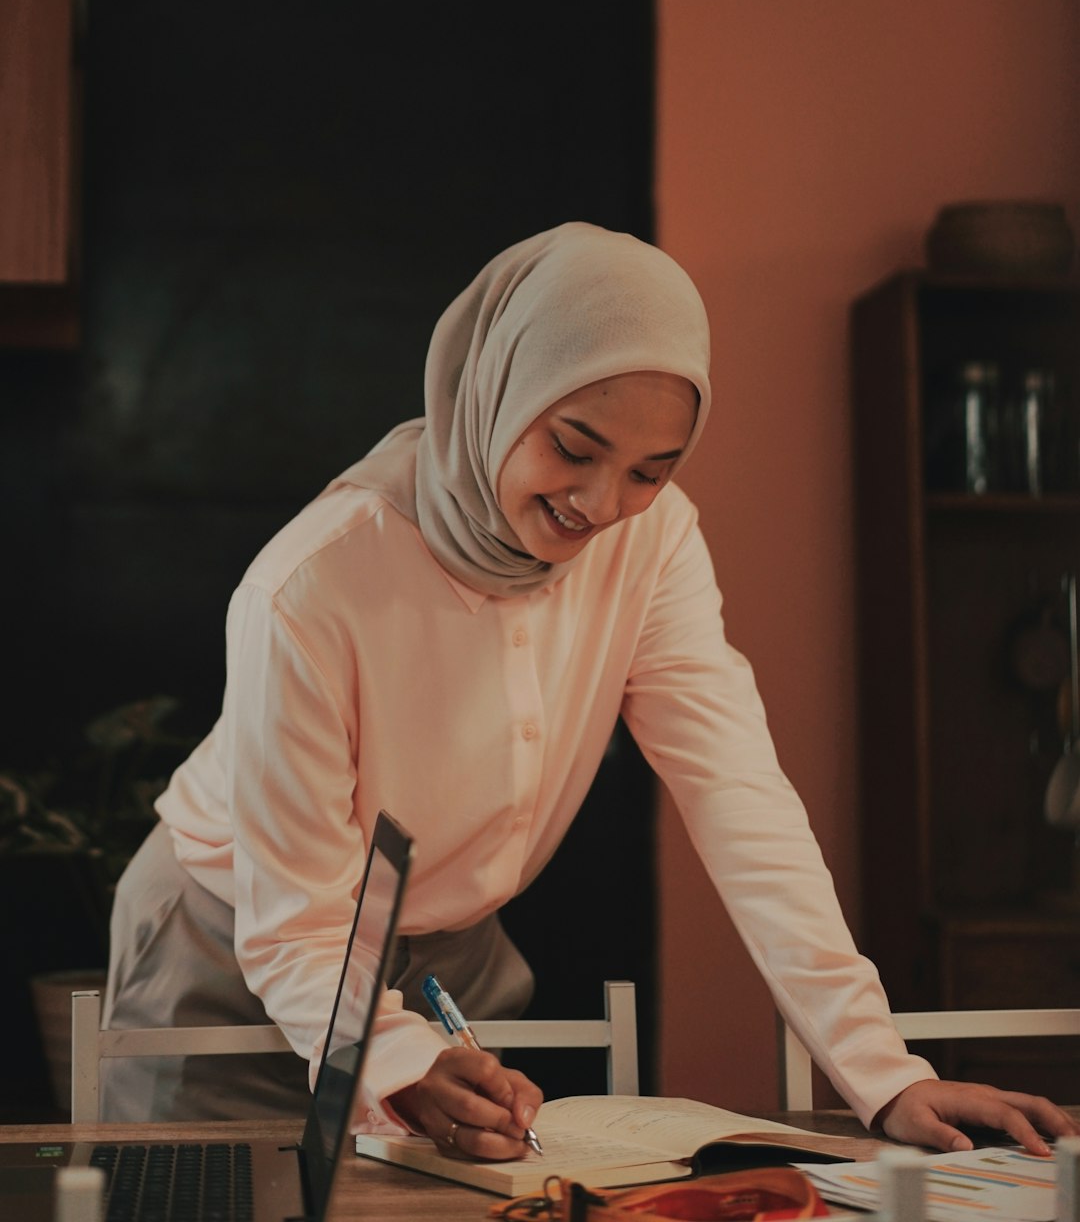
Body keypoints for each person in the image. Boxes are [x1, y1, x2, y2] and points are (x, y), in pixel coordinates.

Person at [102, 222, 1075, 1159]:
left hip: (440, 953)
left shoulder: (652, 543)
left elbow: (736, 794)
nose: (602, 506)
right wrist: (394, 1058)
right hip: (232, 944)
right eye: (573, 446)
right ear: (495, 389)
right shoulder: (311, 586)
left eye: (652, 470)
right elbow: (299, 925)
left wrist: (884, 1072)